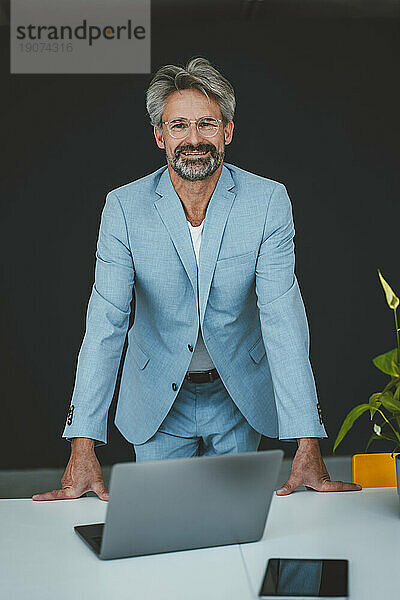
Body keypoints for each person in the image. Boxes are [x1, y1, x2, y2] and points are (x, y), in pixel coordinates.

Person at [32, 57, 361, 502]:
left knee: (236, 539)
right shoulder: (124, 209)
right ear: (159, 135)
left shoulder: (267, 201)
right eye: (179, 125)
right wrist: (82, 442)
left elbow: (283, 318)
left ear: (227, 132)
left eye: (207, 124)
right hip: (156, 400)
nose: (193, 139)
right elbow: (105, 323)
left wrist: (306, 439)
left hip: (237, 394)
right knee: (165, 540)